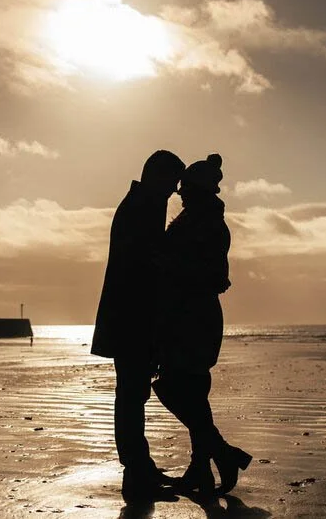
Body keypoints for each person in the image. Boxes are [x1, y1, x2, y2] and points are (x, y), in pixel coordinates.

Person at [151, 153, 252, 495]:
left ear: (197, 190)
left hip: (193, 317)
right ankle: (202, 469)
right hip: (191, 315)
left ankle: (222, 453)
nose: (179, 194)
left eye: (185, 189)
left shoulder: (204, 223)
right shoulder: (199, 219)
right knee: (192, 393)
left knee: (175, 388)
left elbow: (211, 275)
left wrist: (165, 265)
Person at [91, 149, 186, 502]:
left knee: (133, 397)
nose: (174, 191)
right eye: (172, 183)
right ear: (155, 176)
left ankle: (141, 469)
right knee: (131, 398)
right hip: (132, 321)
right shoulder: (141, 208)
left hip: (129, 319)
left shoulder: (140, 204)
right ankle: (136, 476)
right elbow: (145, 271)